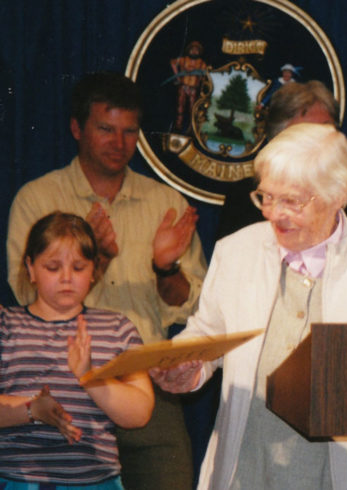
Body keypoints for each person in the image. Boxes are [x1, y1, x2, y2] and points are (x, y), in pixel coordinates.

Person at [150, 122, 347, 489]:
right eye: (265, 196)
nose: (273, 214)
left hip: (337, 474)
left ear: (338, 194)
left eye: (292, 201)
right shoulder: (236, 250)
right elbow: (208, 333)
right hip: (246, 468)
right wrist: (188, 365)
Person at [6, 72, 207, 489]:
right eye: (105, 129)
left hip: (144, 386)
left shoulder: (166, 203)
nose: (119, 143)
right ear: (77, 128)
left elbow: (191, 306)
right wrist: (92, 257)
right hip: (55, 386)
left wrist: (165, 268)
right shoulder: (38, 198)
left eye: (130, 132)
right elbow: (24, 294)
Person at [0, 212, 154, 488]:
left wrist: (90, 378)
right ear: (31, 268)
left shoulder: (117, 328)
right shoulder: (6, 325)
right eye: (53, 267)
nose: (67, 278)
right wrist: (32, 410)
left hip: (96, 480)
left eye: (79, 267)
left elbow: (140, 412)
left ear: (94, 270)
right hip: (17, 479)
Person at [216, 80, 347, 245]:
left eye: (326, 131)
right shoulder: (246, 201)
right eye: (307, 135)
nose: (320, 144)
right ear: (278, 141)